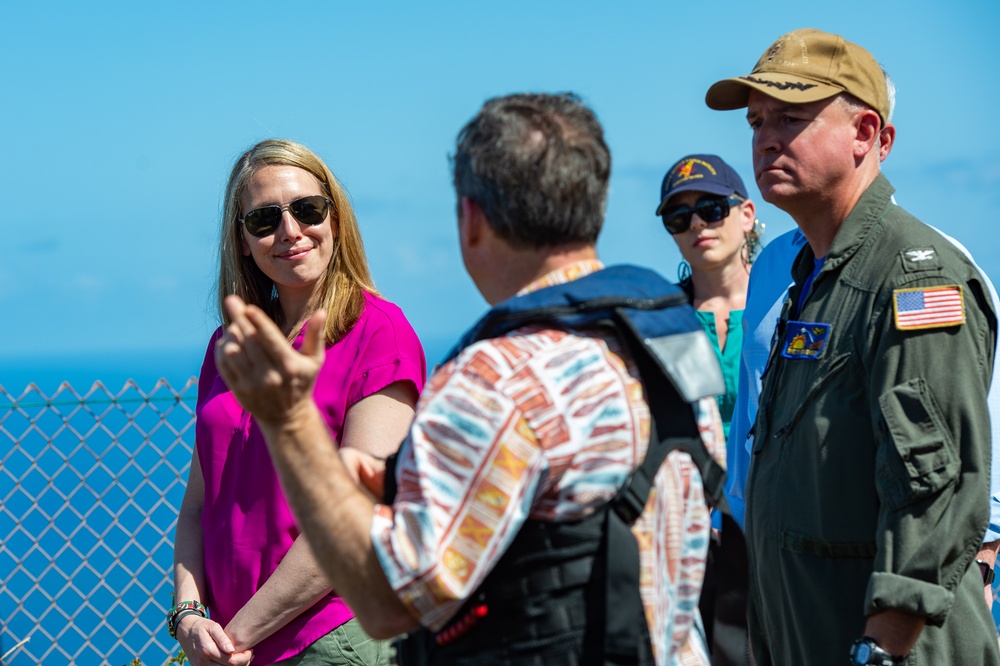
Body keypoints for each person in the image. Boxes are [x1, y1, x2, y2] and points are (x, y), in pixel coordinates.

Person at [211, 93, 729, 665]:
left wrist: (291, 425)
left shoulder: (495, 381)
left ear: (471, 218)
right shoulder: (670, 344)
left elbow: (388, 603)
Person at [706, 28, 999, 665]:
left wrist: (882, 650)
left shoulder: (912, 275)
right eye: (756, 122)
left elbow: (936, 488)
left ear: (868, 134)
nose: (765, 138)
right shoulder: (805, 272)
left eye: (791, 117)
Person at [171, 139, 426, 666]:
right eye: (264, 220)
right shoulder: (230, 345)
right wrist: (189, 615)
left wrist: (235, 635)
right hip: (233, 646)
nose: (290, 232)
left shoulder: (379, 335)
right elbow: (198, 505)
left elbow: (355, 516)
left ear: (335, 219)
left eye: (307, 210)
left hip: (328, 639)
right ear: (242, 240)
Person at [655, 154, 758, 665]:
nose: (697, 224)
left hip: (771, 528)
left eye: (712, 208)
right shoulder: (660, 321)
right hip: (686, 540)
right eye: (680, 218)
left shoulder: (785, 306)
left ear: (747, 214)